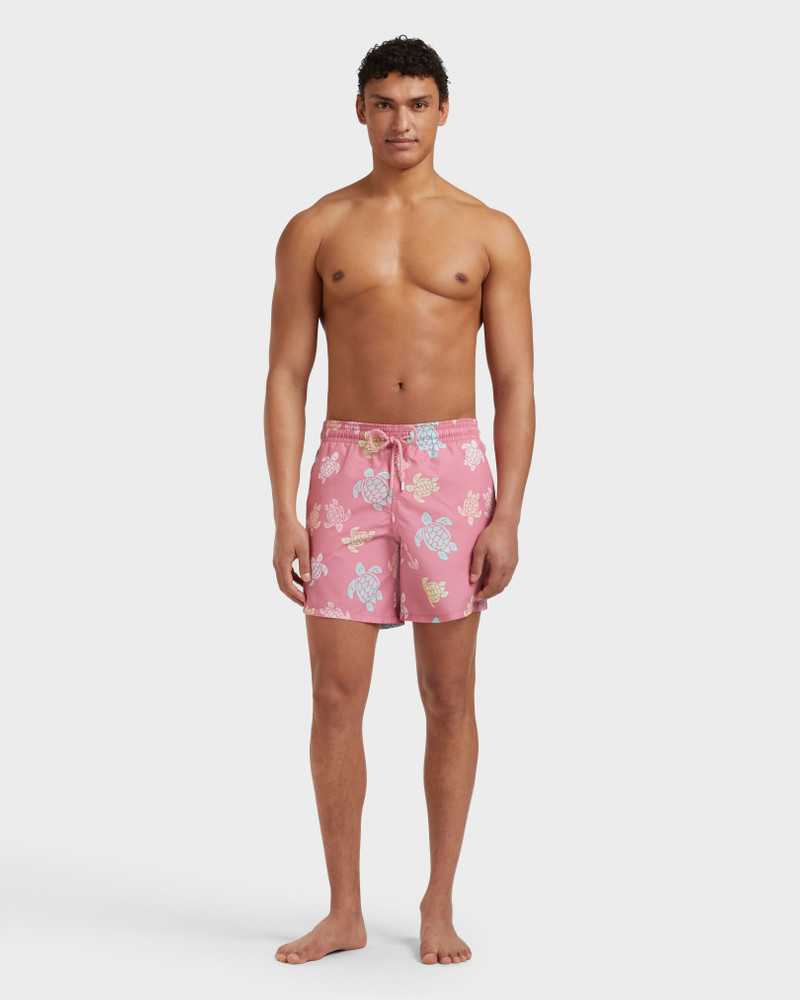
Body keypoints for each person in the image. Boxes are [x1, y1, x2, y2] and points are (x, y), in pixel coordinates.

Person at [263, 34, 535, 966]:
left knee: (448, 694)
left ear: (444, 111)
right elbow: (286, 374)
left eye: (417, 103)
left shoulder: (490, 232)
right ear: (360, 112)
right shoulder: (317, 228)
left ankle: (438, 903)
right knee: (334, 695)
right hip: (347, 469)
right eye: (383, 103)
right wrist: (284, 510)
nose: (400, 121)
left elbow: (516, 383)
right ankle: (343, 909)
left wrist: (508, 514)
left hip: (449, 471)